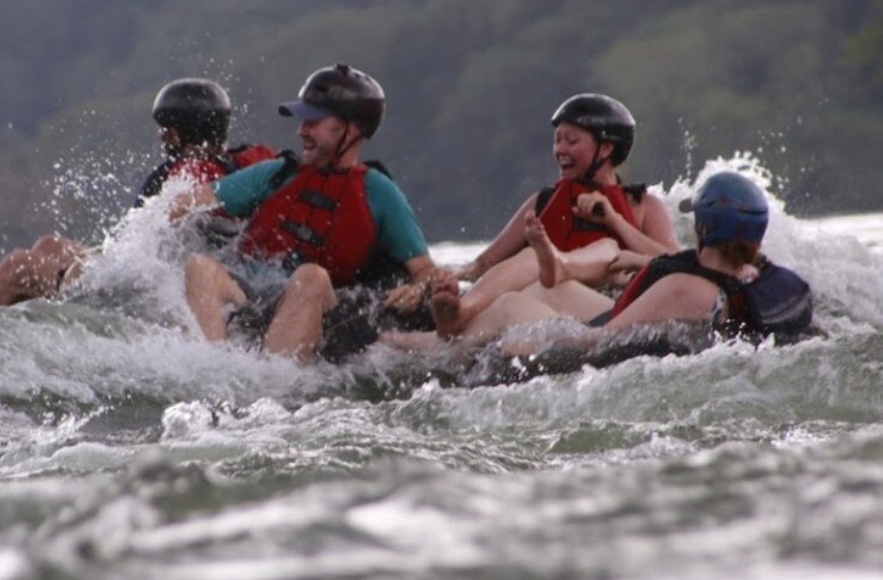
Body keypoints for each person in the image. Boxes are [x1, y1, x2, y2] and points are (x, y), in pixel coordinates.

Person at [170, 63, 438, 362]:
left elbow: (425, 270)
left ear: (352, 129)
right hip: (249, 295)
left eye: (313, 122)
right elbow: (185, 203)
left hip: (318, 309)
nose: (301, 130)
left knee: (311, 276)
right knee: (199, 266)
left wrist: (417, 289)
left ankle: (270, 384)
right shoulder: (275, 174)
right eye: (302, 121)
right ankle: (212, 372)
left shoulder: (381, 194)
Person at [0, 78, 273, 313]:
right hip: (215, 277)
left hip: (157, 293)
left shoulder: (180, 179)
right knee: (49, 245)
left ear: (173, 134)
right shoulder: (245, 166)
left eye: (164, 129)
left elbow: (144, 252)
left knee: (20, 265)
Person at [387, 93, 680, 339]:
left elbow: (674, 264)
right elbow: (484, 263)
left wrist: (613, 219)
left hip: (604, 309)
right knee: (514, 289)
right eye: (557, 140)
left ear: (606, 148)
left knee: (532, 267)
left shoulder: (643, 205)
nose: (560, 150)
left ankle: (460, 320)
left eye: (572, 141)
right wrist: (430, 283)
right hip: (537, 306)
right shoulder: (542, 202)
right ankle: (454, 317)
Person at [425, 171, 814, 357]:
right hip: (634, 316)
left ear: (701, 227)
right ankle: (449, 330)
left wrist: (527, 343)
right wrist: (639, 261)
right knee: (549, 286)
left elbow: (598, 341)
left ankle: (430, 345)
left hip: (603, 338)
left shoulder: (683, 288)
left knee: (511, 306)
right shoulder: (752, 275)